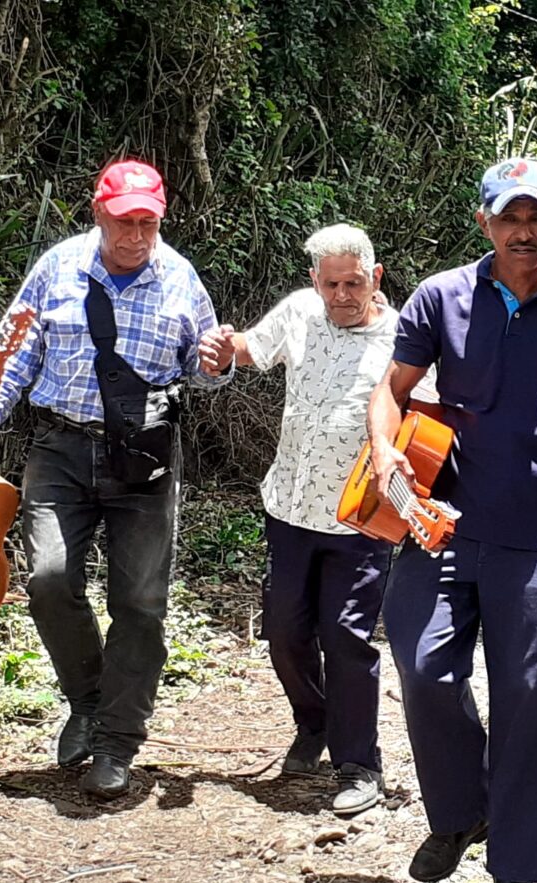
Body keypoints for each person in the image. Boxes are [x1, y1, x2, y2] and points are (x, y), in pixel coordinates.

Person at [367, 159, 537, 883]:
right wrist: (385, 450)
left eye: (535, 216)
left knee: (531, 698)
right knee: (423, 666)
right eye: (509, 217)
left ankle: (517, 869)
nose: (523, 231)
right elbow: (392, 390)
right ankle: (462, 812)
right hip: (443, 521)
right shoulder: (441, 297)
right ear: (484, 222)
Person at [0, 160, 232, 800]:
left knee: (139, 602)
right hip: (60, 446)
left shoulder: (181, 278)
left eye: (148, 223)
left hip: (144, 459)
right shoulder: (58, 268)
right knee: (49, 579)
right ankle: (86, 702)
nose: (136, 235)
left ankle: (115, 742)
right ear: (98, 212)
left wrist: (217, 363)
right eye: (123, 221)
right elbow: (11, 352)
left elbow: (204, 371)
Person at [198, 224, 434, 816]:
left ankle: (360, 765)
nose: (341, 296)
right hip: (290, 506)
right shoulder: (301, 312)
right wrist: (224, 351)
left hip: (360, 518)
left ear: (375, 277)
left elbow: (430, 419)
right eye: (331, 284)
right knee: (284, 630)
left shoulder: (403, 339)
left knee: (346, 638)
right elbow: (251, 347)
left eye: (353, 283)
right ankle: (314, 723)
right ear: (314, 280)